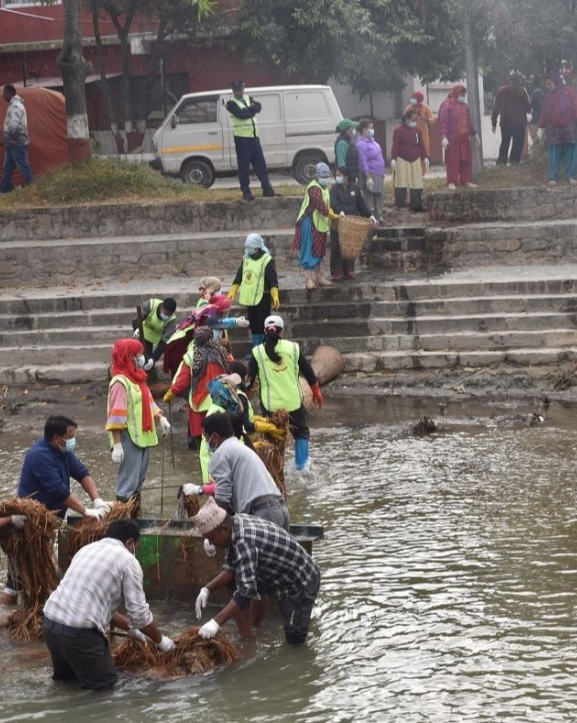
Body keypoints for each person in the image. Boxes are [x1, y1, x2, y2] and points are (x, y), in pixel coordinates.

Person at [42, 519, 175, 691]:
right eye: (137, 546)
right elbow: (140, 615)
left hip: (50, 624)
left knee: (67, 685)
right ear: (130, 543)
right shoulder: (128, 561)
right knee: (105, 689)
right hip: (80, 634)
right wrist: (161, 641)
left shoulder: (86, 550)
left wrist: (129, 628)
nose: (136, 550)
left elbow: (93, 603)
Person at [1, 416, 113, 605]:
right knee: (19, 582)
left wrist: (97, 500)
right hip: (27, 525)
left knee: (36, 576)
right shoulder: (39, 456)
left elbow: (82, 473)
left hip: (49, 524)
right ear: (56, 438)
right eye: (70, 436)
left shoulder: (64, 452)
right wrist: (85, 511)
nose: (72, 440)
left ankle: (28, 607)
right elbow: (58, 491)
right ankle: (11, 615)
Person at [193, 497, 320, 644]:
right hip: (278, 576)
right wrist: (206, 589)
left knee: (295, 637)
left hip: (301, 581)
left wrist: (215, 622)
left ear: (224, 530)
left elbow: (246, 591)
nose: (211, 544)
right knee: (233, 583)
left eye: (212, 539)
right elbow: (230, 567)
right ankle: (249, 637)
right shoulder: (235, 523)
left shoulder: (244, 540)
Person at [183, 411, 289, 531]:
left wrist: (213, 531)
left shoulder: (221, 454)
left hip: (263, 514)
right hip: (280, 510)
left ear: (216, 437)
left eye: (207, 438)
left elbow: (222, 501)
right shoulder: (240, 448)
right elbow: (230, 489)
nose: (207, 442)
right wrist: (204, 489)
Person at [248, 314, 322, 473]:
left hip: (270, 406)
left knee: (271, 437)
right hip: (293, 403)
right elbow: (308, 372)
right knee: (301, 432)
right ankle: (302, 469)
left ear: (264, 331)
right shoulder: (293, 348)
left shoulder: (257, 353)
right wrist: (317, 392)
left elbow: (249, 380)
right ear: (282, 332)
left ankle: (275, 469)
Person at [106, 338, 171, 504]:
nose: (142, 357)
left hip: (143, 436)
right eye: (139, 354)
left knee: (138, 481)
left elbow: (148, 401)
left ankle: (135, 514)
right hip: (128, 438)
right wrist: (118, 445)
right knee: (127, 483)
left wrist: (159, 417)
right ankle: (122, 516)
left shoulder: (138, 378)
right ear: (130, 357)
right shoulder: (120, 382)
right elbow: (116, 415)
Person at [163, 325, 230, 450]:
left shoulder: (191, 356)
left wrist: (170, 394)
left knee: (204, 442)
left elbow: (182, 381)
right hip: (221, 401)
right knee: (221, 438)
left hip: (200, 404)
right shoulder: (222, 352)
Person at [226, 80, 278, 202]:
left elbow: (259, 107)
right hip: (242, 139)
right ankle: (246, 192)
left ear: (244, 88)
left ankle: (267, 189)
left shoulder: (248, 98)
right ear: (233, 90)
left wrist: (251, 110)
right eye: (236, 90)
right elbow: (241, 114)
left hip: (254, 137)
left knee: (261, 165)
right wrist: (252, 110)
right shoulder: (231, 103)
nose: (239, 92)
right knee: (244, 167)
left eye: (241, 89)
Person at [228, 233, 280, 347]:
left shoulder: (267, 260)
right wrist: (233, 291)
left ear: (256, 247)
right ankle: (256, 348)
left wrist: (275, 295)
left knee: (263, 324)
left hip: (263, 297)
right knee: (254, 324)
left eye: (249, 247)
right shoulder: (246, 258)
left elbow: (272, 280)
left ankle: (264, 348)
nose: (247, 249)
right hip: (250, 298)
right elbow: (239, 276)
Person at [292, 161, 338, 289]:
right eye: (323, 176)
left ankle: (319, 277)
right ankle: (309, 279)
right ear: (317, 176)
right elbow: (322, 207)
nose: (325, 178)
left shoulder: (324, 188)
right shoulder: (313, 188)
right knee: (309, 250)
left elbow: (327, 205)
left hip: (320, 224)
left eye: (326, 176)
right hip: (309, 223)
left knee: (319, 250)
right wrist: (332, 215)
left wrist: (331, 212)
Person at [329, 165, 375, 280]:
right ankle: (336, 271)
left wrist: (370, 215)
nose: (337, 177)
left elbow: (361, 204)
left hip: (352, 224)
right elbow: (334, 203)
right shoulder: (334, 189)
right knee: (337, 247)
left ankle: (348, 270)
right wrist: (340, 212)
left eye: (340, 175)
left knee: (350, 247)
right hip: (339, 223)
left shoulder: (354, 188)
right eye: (336, 175)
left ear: (346, 176)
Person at [538, 71, 577, 186]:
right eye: (547, 84)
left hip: (567, 129)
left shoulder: (568, 91)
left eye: (549, 83)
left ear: (555, 82)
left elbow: (575, 106)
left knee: (569, 152)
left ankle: (570, 176)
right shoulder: (548, 96)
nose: (548, 86)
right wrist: (540, 123)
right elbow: (545, 112)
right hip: (553, 130)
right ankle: (553, 177)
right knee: (554, 154)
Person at [439, 84, 480, 190]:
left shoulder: (465, 106)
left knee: (466, 160)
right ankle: (451, 182)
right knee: (453, 160)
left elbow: (468, 121)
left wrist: (474, 134)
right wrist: (443, 136)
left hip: (464, 139)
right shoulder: (447, 105)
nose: (463, 96)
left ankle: (465, 180)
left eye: (464, 94)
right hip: (453, 139)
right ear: (456, 93)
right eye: (461, 94)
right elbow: (443, 122)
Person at [390, 109, 429, 211]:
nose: (415, 122)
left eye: (416, 120)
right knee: (401, 181)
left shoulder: (418, 131)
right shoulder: (398, 131)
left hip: (415, 158)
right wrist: (393, 158)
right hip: (402, 158)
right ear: (407, 119)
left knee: (417, 181)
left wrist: (425, 157)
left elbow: (421, 146)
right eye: (413, 119)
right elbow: (395, 145)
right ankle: (400, 205)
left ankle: (416, 205)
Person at [491, 72, 532, 165]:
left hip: (506, 123)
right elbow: (528, 108)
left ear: (509, 80)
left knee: (505, 143)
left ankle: (502, 162)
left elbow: (496, 108)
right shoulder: (522, 91)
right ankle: (514, 162)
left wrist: (494, 122)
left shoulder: (501, 91)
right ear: (520, 81)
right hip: (519, 123)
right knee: (517, 144)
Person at [0, 85, 33, 194]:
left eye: (4, 93)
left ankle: (31, 185)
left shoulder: (15, 106)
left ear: (9, 93)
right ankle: (4, 188)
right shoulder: (13, 105)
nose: (3, 96)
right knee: (7, 167)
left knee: (22, 164)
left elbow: (13, 126)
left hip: (18, 142)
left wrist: (5, 138)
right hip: (12, 143)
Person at [131, 296, 177, 372]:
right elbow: (136, 319)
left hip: (157, 337)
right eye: (166, 313)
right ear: (162, 307)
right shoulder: (151, 304)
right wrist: (136, 328)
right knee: (141, 357)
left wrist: (154, 358)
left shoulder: (172, 320)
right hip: (144, 332)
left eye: (169, 315)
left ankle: (151, 374)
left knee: (149, 361)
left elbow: (165, 341)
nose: (167, 316)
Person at [356, 118, 386, 223]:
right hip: (370, 173)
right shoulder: (361, 144)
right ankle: (370, 218)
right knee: (369, 196)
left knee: (379, 195)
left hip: (378, 173)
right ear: (364, 129)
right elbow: (362, 161)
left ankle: (379, 217)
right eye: (371, 128)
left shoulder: (372, 141)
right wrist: (368, 176)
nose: (372, 130)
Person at [404, 91, 435, 171]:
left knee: (423, 151)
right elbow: (404, 119)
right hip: (410, 133)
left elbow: (433, 120)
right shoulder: (409, 108)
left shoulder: (425, 108)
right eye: (412, 97)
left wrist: (425, 118)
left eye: (414, 98)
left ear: (419, 99)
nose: (412, 99)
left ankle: (422, 173)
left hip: (423, 133)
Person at [529, 77, 547, 143]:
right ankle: (539, 147)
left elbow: (532, 105)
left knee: (534, 132)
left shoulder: (536, 92)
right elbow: (541, 105)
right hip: (540, 117)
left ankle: (539, 148)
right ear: (540, 83)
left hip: (537, 117)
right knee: (542, 136)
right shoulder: (539, 92)